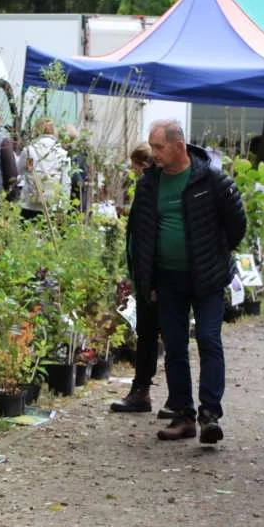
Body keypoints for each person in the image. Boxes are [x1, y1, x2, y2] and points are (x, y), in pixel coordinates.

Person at [126, 120, 246, 444]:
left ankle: (210, 415)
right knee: (176, 347)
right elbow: (141, 231)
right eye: (151, 147)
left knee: (208, 339)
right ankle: (183, 415)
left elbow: (237, 224)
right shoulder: (150, 183)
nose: (154, 154)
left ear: (178, 146)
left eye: (159, 147)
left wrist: (215, 255)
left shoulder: (211, 179)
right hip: (167, 279)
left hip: (206, 277)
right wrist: (145, 278)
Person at [112, 142, 163, 414]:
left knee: (150, 334)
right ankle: (166, 398)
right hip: (147, 272)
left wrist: (147, 278)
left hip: (152, 274)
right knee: (152, 335)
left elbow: (146, 236)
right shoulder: (153, 185)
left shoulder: (151, 186)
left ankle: (145, 391)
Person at [17, 119, 71, 220]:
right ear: (54, 131)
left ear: (36, 131)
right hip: (52, 207)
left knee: (28, 234)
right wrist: (63, 209)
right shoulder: (62, 154)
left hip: (30, 205)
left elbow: (19, 172)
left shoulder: (29, 151)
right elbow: (65, 184)